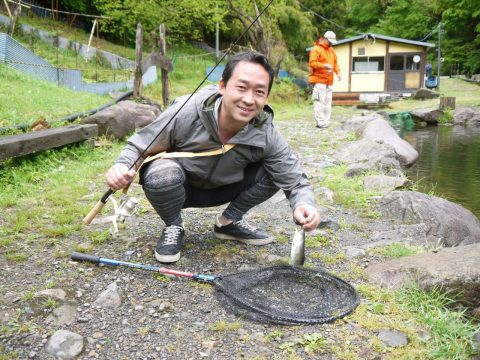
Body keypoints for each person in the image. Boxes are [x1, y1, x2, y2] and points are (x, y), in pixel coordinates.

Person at [106, 51, 321, 263]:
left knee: (274, 172)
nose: (248, 99)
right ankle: (173, 225)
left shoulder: (265, 131)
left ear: (266, 98)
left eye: (259, 92)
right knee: (161, 173)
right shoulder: (186, 110)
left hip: (225, 188)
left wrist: (305, 204)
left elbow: (294, 179)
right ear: (222, 86)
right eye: (241, 87)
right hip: (180, 186)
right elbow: (140, 145)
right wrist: (121, 166)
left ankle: (228, 222)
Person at [308, 30, 341, 128]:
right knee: (319, 103)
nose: (331, 43)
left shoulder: (332, 50)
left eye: (332, 42)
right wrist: (324, 66)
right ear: (325, 39)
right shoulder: (316, 49)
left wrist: (338, 73)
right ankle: (320, 123)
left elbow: (335, 63)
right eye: (330, 41)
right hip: (319, 81)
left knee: (328, 104)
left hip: (329, 82)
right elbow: (312, 63)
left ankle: (326, 122)